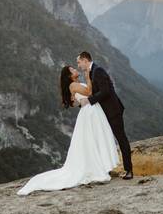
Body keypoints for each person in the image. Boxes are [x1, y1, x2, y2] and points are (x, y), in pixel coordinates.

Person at [16, 64, 121, 195]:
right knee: (91, 140)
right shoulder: (72, 85)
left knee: (94, 139)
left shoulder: (75, 84)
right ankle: (95, 168)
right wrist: (88, 77)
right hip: (89, 112)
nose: (76, 70)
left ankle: (99, 165)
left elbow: (82, 97)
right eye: (73, 69)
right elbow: (89, 92)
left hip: (92, 110)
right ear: (69, 75)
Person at [76, 51, 133, 179]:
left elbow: (105, 91)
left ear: (85, 60)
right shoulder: (92, 72)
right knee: (103, 140)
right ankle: (105, 169)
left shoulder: (98, 71)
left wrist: (89, 101)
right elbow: (95, 92)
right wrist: (83, 102)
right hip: (104, 113)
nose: (79, 66)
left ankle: (129, 170)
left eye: (79, 62)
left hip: (113, 111)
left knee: (121, 139)